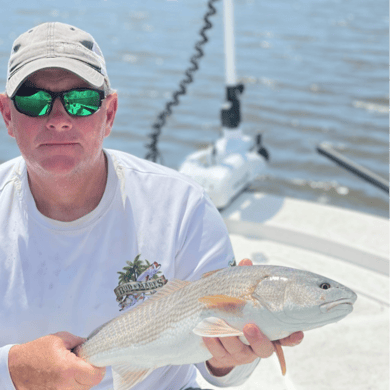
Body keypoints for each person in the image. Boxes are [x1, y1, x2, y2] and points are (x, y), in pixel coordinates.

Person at [0, 22, 303, 390]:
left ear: (109, 113)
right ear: (7, 115)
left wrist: (228, 360)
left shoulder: (182, 207)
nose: (59, 120)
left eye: (82, 101)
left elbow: (226, 373)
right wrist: (12, 369)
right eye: (35, 101)